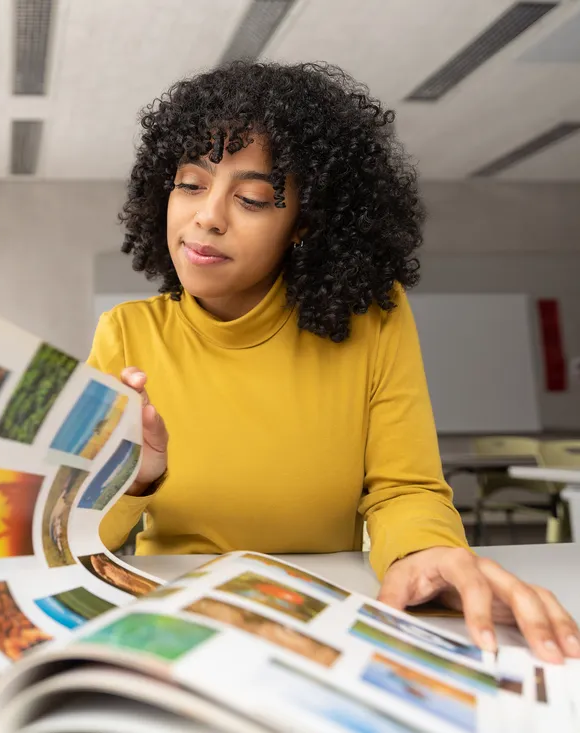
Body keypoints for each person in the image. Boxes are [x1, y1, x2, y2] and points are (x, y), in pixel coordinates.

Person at [90, 60, 578, 664]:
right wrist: (139, 477)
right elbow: (81, 538)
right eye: (190, 184)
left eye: (253, 198)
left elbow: (404, 487)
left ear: (304, 225)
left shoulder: (373, 317)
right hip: (175, 620)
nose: (208, 215)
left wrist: (422, 552)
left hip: (325, 620)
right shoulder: (127, 334)